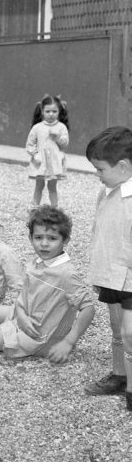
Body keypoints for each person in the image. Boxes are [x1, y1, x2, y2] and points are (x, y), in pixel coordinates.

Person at [0, 207, 94, 363]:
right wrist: (20, 315)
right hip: (20, 316)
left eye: (52, 238)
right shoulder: (36, 262)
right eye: (39, 237)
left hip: (36, 337)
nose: (44, 244)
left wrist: (68, 342)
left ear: (65, 240)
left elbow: (88, 308)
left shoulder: (66, 274)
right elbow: (23, 295)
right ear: (30, 237)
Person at [84, 126, 132, 409]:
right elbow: (99, 232)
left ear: (123, 166)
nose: (97, 174)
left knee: (130, 333)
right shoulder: (107, 190)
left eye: (100, 168)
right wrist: (99, 273)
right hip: (112, 276)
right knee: (117, 329)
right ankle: (119, 375)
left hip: (130, 278)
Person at [26, 94, 69, 207]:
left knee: (52, 187)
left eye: (54, 111)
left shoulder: (61, 127)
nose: (51, 114)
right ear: (42, 111)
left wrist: (57, 138)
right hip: (41, 163)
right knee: (39, 186)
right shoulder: (37, 127)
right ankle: (34, 207)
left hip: (54, 163)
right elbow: (30, 144)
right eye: (48, 111)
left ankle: (54, 208)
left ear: (59, 112)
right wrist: (35, 154)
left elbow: (65, 144)